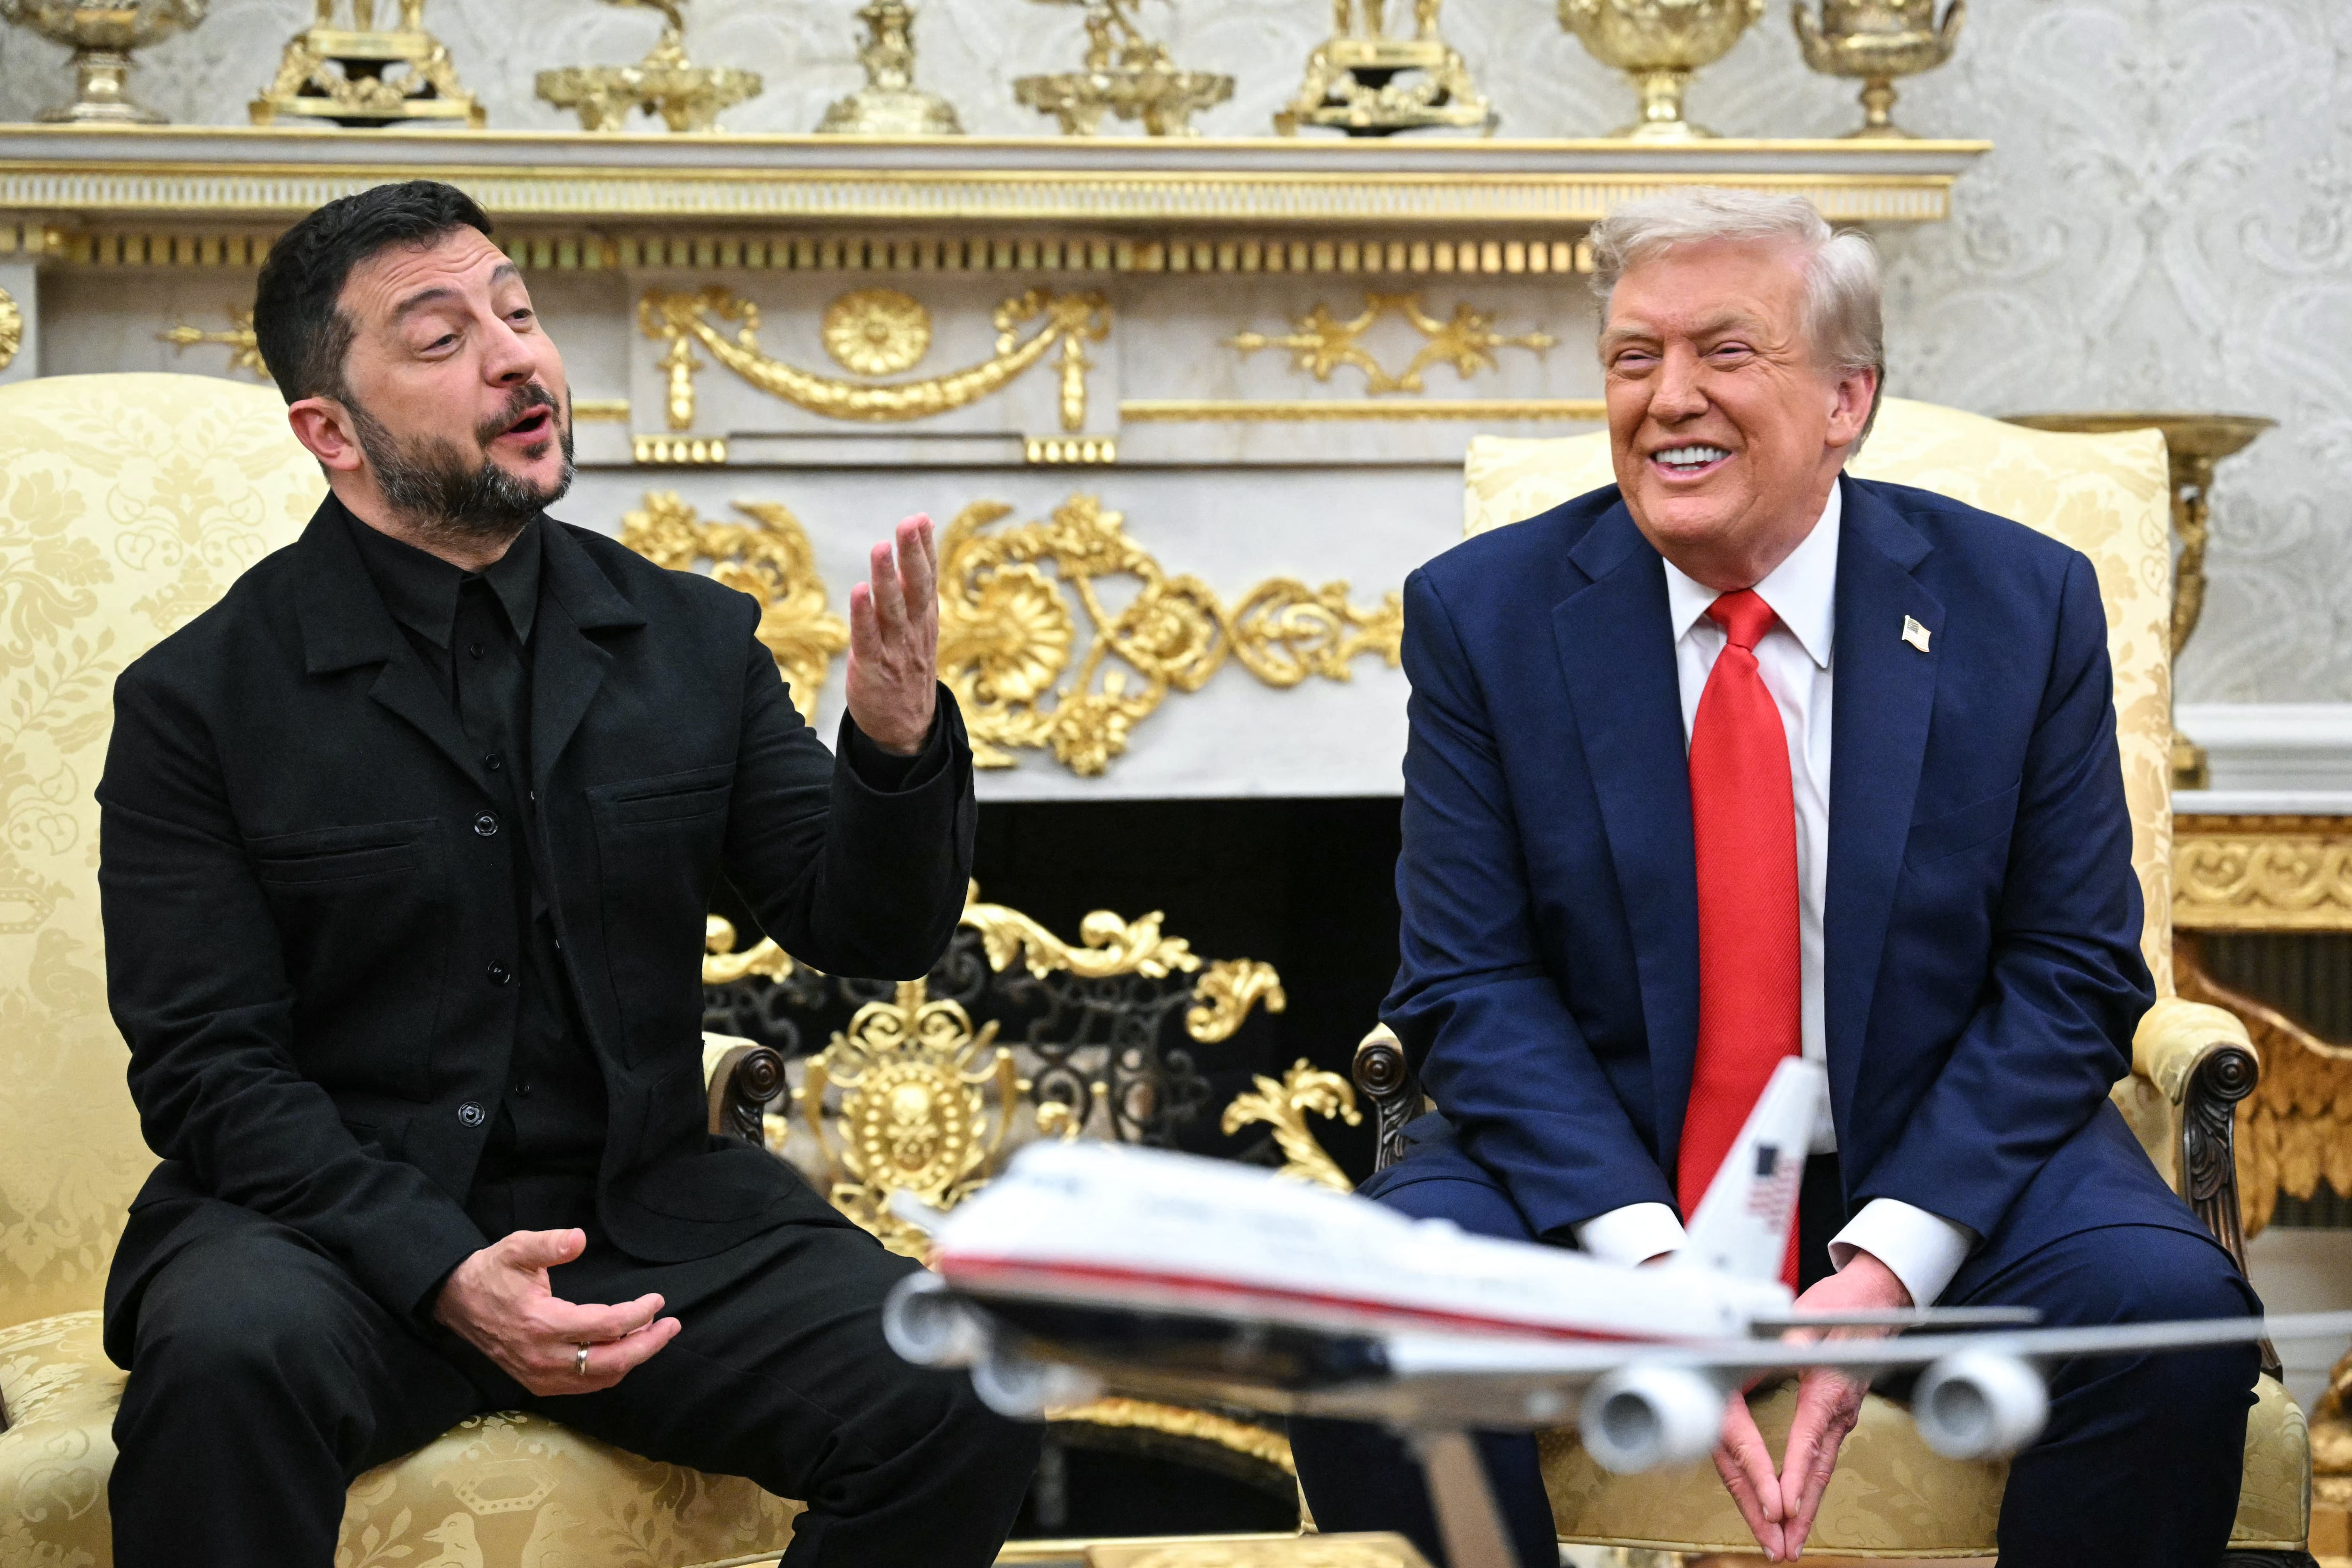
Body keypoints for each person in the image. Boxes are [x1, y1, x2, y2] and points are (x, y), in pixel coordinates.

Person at [1289, 189, 2259, 1568]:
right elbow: (1469, 978)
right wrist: (1648, 1264)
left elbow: (2073, 967)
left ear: (1847, 399)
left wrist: (1891, 1261)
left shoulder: (2019, 603)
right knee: (1362, 1321)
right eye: (1634, 357)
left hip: (1936, 1151)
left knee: (2169, 1322)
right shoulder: (1485, 615)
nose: (1668, 398)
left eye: (1726, 352)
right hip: (1603, 1160)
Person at [97, 179, 1039, 1568]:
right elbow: (206, 1068)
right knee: (227, 1360)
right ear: (329, 432)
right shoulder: (199, 703)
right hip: (331, 1238)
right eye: (442, 339)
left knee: (965, 1384)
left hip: (647, 1228)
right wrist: (438, 1269)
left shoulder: (691, 641)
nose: (515, 358)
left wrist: (893, 751)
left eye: (520, 314)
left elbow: (870, 931)